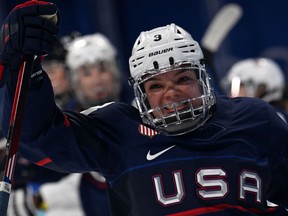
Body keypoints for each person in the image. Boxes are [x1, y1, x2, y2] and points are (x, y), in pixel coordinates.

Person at [1, 2, 288, 215]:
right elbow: (37, 138)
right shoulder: (118, 129)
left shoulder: (254, 119)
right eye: (155, 86)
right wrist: (24, 68)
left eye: (183, 78)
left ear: (203, 78)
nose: (172, 92)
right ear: (141, 93)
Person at [221, 57, 288, 123]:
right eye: (232, 88)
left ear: (262, 90)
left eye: (239, 87)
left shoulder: (270, 119)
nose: (232, 95)